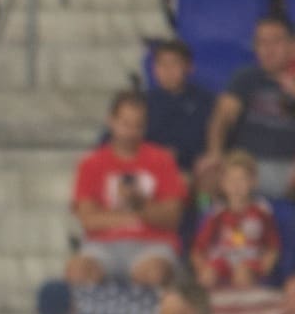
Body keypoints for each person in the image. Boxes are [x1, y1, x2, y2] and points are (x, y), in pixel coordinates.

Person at [69, 92, 186, 280]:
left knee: (155, 273)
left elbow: (172, 218)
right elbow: (88, 220)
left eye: (137, 126)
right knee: (77, 271)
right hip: (101, 246)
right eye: (125, 124)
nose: (131, 133)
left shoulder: (163, 160)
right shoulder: (91, 163)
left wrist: (139, 204)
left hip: (152, 245)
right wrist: (141, 216)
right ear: (111, 121)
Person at [205, 16, 295, 198]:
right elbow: (220, 120)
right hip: (245, 164)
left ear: (292, 46)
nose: (268, 49)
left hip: (288, 165)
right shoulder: (245, 78)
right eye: (261, 42)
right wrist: (215, 153)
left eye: (276, 41)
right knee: (207, 176)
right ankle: (210, 220)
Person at [191, 151, 282, 291]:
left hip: (250, 261)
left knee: (242, 273)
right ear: (222, 183)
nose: (236, 186)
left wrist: (265, 268)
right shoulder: (216, 214)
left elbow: (272, 246)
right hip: (222, 259)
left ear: (253, 182)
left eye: (242, 180)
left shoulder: (262, 211)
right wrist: (203, 269)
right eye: (231, 180)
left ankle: (243, 309)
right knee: (208, 275)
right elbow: (198, 249)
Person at [145, 40, 213, 178]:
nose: (167, 70)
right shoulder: (141, 101)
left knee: (208, 177)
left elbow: (206, 140)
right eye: (161, 64)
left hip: (189, 167)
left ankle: (203, 201)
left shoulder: (205, 101)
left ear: (189, 67)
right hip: (145, 167)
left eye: (174, 64)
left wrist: (180, 154)